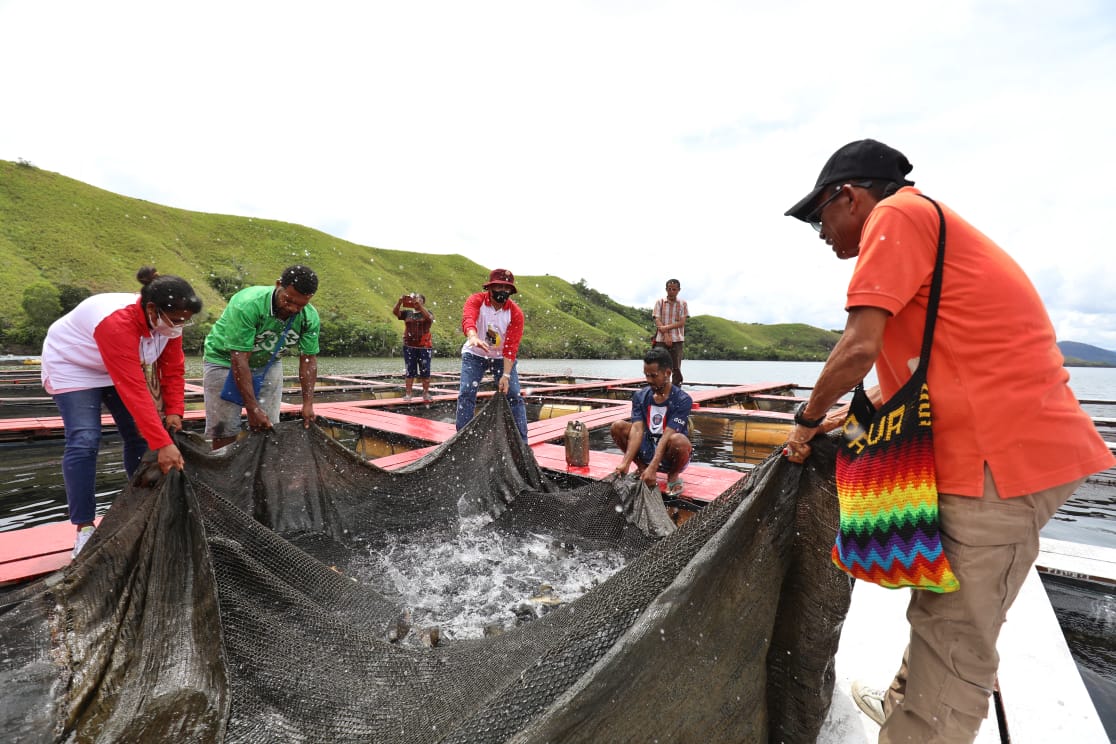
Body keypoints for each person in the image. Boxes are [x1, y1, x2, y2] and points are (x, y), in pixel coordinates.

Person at [781, 139, 1115, 744]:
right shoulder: (926, 226)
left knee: (956, 640)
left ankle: (922, 726)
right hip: (1010, 451)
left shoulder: (897, 216)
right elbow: (914, 378)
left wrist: (805, 422)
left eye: (817, 218)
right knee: (945, 604)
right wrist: (847, 426)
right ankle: (904, 702)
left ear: (848, 197)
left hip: (1000, 463)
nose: (822, 232)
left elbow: (858, 348)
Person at [40, 266, 203, 557]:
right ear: (152, 309)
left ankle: (141, 507)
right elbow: (133, 388)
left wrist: (175, 411)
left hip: (116, 366)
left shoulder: (170, 322)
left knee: (139, 437)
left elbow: (173, 369)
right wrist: (164, 444)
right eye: (176, 320)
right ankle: (85, 527)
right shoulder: (116, 322)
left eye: (184, 322)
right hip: (73, 365)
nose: (179, 327)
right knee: (84, 440)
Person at [202, 264, 321, 449]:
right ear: (278, 285)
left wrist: (308, 403)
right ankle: (224, 470)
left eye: (301, 304)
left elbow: (308, 360)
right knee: (224, 428)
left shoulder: (309, 317)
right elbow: (239, 358)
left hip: (268, 363)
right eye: (288, 300)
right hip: (224, 360)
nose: (293, 309)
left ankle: (260, 473)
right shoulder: (249, 304)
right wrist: (252, 407)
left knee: (269, 425)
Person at [455, 268, 528, 442]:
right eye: (499, 287)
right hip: (474, 353)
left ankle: (522, 442)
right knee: (466, 392)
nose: (503, 291)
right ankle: (462, 439)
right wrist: (473, 336)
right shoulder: (476, 301)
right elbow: (468, 319)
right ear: (490, 288)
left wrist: (506, 375)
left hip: (500, 358)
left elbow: (511, 346)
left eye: (507, 288)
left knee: (514, 395)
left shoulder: (515, 313)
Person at [610, 346, 693, 497]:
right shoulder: (640, 397)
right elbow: (637, 430)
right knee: (618, 427)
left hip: (670, 453)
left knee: (679, 441)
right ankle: (642, 468)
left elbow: (667, 435)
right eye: (646, 375)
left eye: (653, 376)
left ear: (667, 373)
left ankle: (673, 477)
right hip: (647, 447)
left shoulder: (683, 399)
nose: (648, 380)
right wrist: (626, 462)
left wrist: (654, 467)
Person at [392, 292, 434, 402]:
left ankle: (425, 393)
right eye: (415, 300)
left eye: (419, 300)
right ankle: (408, 394)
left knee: (425, 371)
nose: (416, 302)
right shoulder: (408, 313)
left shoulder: (427, 312)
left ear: (423, 303)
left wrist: (420, 307)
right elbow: (395, 312)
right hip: (409, 347)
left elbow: (429, 319)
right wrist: (400, 302)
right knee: (409, 371)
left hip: (424, 347)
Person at [652, 279, 689, 387]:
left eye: (674, 289)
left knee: (676, 367)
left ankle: (676, 389)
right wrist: (666, 335)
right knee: (660, 364)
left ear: (678, 290)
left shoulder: (683, 304)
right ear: (666, 289)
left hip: (677, 339)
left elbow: (682, 322)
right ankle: (660, 388)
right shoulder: (660, 302)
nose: (671, 291)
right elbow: (657, 320)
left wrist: (666, 328)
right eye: (669, 289)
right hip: (661, 339)